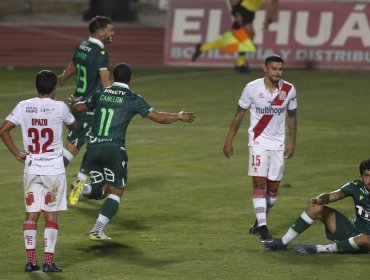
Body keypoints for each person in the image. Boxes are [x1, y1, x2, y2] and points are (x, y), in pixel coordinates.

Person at [69, 63, 195, 240]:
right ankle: (96, 230)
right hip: (113, 149)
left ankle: (82, 189)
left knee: (101, 189)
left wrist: (75, 104)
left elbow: (80, 107)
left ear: (112, 78)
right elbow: (157, 117)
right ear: (131, 79)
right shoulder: (132, 98)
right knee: (117, 190)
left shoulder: (101, 93)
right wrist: (178, 116)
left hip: (93, 148)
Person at [0, 70, 77, 272]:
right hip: (53, 170)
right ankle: (49, 263)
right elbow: (74, 127)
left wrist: (17, 153)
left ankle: (31, 262)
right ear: (54, 88)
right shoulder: (60, 107)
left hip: (32, 168)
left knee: (31, 215)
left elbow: (3, 130)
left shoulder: (23, 106)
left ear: (36, 87)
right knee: (50, 216)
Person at [223, 54, 297, 240]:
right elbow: (239, 114)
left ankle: (260, 219)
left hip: (278, 144)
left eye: (280, 69)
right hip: (257, 141)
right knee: (258, 182)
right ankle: (263, 227)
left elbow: (292, 117)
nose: (277, 72)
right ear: (265, 68)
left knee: (273, 190)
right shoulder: (251, 88)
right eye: (274, 69)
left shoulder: (289, 89)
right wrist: (229, 140)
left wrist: (292, 142)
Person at [58, 15, 114, 205]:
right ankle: (55, 179)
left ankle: (79, 183)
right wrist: (117, 96)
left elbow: (73, 63)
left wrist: (64, 76)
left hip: (77, 102)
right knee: (79, 146)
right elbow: (105, 80)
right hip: (89, 107)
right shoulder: (100, 53)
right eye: (109, 30)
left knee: (79, 143)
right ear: (100, 32)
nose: (112, 32)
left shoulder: (82, 45)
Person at [262, 158, 370, 254]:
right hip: (353, 231)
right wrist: (318, 199)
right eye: (367, 175)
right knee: (316, 208)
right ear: (361, 177)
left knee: (363, 239)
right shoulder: (356, 186)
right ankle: (283, 242)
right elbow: (333, 195)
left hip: (367, 241)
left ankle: (319, 249)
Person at [191, 0, 279, 73]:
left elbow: (274, 5)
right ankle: (240, 63)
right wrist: (236, 12)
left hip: (250, 12)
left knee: (235, 37)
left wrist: (268, 21)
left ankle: (202, 48)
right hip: (242, 9)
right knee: (248, 35)